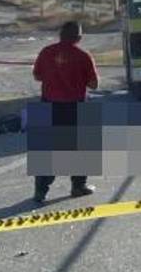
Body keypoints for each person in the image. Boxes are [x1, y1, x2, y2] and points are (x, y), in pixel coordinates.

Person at [31, 21, 98, 202]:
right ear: (79, 37)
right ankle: (78, 186)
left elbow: (37, 76)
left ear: (60, 35)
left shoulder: (46, 52)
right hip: (74, 106)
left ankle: (40, 191)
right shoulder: (83, 56)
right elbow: (94, 84)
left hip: (48, 105)